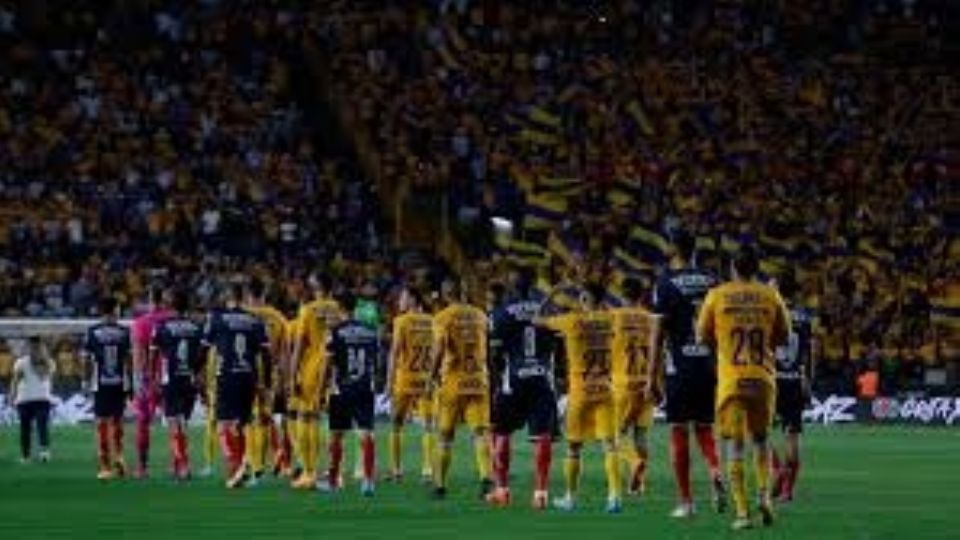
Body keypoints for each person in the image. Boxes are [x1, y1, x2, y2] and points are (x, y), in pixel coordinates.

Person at [697, 245, 791, 530]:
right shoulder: (771, 295)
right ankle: (765, 497)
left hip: (731, 380)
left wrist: (722, 346)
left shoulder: (716, 295)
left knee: (734, 447)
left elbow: (702, 336)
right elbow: (784, 336)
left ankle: (742, 512)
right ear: (756, 268)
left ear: (733, 269)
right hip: (763, 378)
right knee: (761, 441)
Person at [652, 231, 726, 518]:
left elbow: (658, 333)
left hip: (679, 365)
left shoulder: (666, 283)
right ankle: (715, 469)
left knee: (679, 431)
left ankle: (686, 502)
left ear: (674, 247)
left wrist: (651, 376)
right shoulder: (712, 281)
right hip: (708, 364)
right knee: (705, 428)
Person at [541, 283, 622, 513]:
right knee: (610, 446)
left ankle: (570, 498)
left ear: (585, 299)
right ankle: (614, 497)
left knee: (573, 447)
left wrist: (551, 293)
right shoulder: (610, 319)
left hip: (581, 392)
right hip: (606, 389)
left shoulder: (572, 321)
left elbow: (538, 319)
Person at [486, 268, 558, 510]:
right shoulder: (547, 310)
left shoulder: (501, 312)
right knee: (543, 436)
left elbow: (494, 354)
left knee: (502, 431)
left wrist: (498, 380)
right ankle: (540, 494)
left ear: (511, 288)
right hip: (541, 376)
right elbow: (555, 346)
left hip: (513, 378)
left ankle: (502, 490)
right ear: (534, 284)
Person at [202, 283, 272, 489]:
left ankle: (236, 466)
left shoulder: (217, 318)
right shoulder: (255, 321)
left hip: (226, 375)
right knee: (242, 424)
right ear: (242, 298)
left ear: (227, 297)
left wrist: (196, 373)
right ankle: (243, 464)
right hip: (248, 376)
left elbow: (204, 349)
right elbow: (266, 355)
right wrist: (266, 381)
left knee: (224, 424)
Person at [431, 280, 493, 500]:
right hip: (478, 380)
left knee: (445, 436)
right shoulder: (481, 316)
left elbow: (439, 350)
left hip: (453, 382)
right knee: (480, 433)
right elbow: (488, 349)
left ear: (447, 295)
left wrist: (431, 376)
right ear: (464, 293)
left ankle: (440, 486)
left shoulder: (443, 317)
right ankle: (486, 478)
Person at [320, 293, 380, 496]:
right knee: (366, 434)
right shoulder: (370, 332)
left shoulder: (335, 332)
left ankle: (333, 481)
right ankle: (369, 480)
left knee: (336, 435)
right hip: (364, 386)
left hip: (342, 388)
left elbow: (328, 365)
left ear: (340, 309)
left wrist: (321, 390)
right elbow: (376, 360)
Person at [289, 274, 343, 489]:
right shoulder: (338, 309)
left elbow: (300, 346)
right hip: (336, 370)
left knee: (305, 417)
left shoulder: (308, 310)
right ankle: (333, 472)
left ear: (317, 287)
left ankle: (309, 472)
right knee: (332, 424)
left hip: (313, 369)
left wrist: (292, 376)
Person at [610, 277, 662, 496]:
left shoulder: (613, 317)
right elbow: (659, 352)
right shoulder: (652, 320)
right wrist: (658, 383)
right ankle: (639, 483)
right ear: (641, 296)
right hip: (646, 382)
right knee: (640, 435)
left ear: (622, 294)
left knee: (613, 435)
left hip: (623, 383)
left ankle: (634, 463)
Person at [151, 288, 204, 480]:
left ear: (171, 305)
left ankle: (183, 465)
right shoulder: (197, 327)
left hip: (170, 379)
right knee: (182, 423)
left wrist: (153, 377)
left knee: (175, 423)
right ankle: (176, 464)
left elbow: (154, 354)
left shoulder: (162, 326)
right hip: (189, 379)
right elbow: (202, 355)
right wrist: (198, 375)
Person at [772, 272, 814, 503]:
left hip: (773, 379)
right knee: (792, 437)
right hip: (795, 380)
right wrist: (808, 379)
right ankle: (788, 491)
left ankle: (777, 469)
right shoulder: (804, 317)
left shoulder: (771, 312)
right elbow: (809, 352)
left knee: (759, 432)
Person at [386, 285, 436, 483]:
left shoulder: (401, 321)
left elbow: (395, 352)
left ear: (413, 300)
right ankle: (428, 469)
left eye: (403, 297)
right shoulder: (432, 321)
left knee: (396, 424)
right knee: (428, 426)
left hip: (405, 379)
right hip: (425, 379)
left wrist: (389, 382)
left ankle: (397, 470)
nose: (400, 301)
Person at [244, 277, 290, 485]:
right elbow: (285, 351)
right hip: (272, 374)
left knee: (253, 422)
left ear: (248, 295)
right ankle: (278, 455)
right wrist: (283, 376)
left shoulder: (244, 316)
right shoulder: (278, 318)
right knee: (267, 418)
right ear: (264, 294)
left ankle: (257, 468)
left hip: (248, 371)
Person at [82, 296, 133, 480]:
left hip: (100, 384)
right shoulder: (124, 332)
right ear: (115, 311)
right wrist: (131, 384)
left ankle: (104, 466)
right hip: (119, 383)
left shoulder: (92, 332)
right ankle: (120, 458)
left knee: (101, 424)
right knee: (118, 423)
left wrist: (85, 382)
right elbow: (128, 361)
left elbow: (87, 360)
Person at [130, 285, 174, 479]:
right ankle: (177, 465)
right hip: (170, 377)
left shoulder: (140, 323)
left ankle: (142, 468)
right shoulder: (173, 319)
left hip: (149, 379)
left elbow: (139, 353)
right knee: (175, 421)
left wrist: (139, 378)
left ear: (149, 300)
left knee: (143, 423)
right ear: (163, 299)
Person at [10, 337, 55, 464]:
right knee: (25, 429)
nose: (34, 349)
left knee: (42, 425)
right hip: (24, 400)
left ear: (42, 347)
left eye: (37, 346)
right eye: (32, 346)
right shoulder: (21, 362)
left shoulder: (49, 362)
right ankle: (25, 455)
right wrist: (12, 394)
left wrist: (39, 360)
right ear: (28, 347)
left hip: (42, 399)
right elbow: (15, 380)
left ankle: (44, 452)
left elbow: (43, 375)